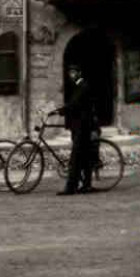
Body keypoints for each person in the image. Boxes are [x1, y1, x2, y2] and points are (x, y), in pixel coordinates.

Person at [50, 64, 100, 196]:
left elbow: (74, 104)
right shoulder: (78, 86)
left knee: (76, 157)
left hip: (82, 126)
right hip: (79, 126)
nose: (71, 75)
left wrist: (59, 111)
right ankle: (86, 185)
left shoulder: (83, 86)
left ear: (79, 73)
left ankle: (71, 188)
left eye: (73, 72)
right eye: (70, 73)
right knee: (84, 157)